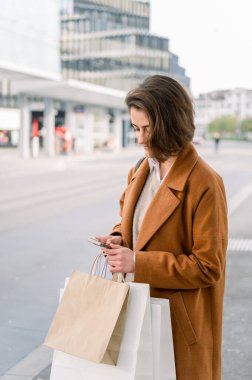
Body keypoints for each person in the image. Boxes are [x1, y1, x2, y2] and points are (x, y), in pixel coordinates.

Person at [97, 75, 228, 380]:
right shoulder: (140, 170)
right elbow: (132, 224)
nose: (140, 139)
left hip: (177, 328)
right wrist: (116, 239)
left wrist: (138, 262)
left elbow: (209, 267)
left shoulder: (205, 182)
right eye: (135, 128)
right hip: (137, 313)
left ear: (170, 124)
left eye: (147, 129)